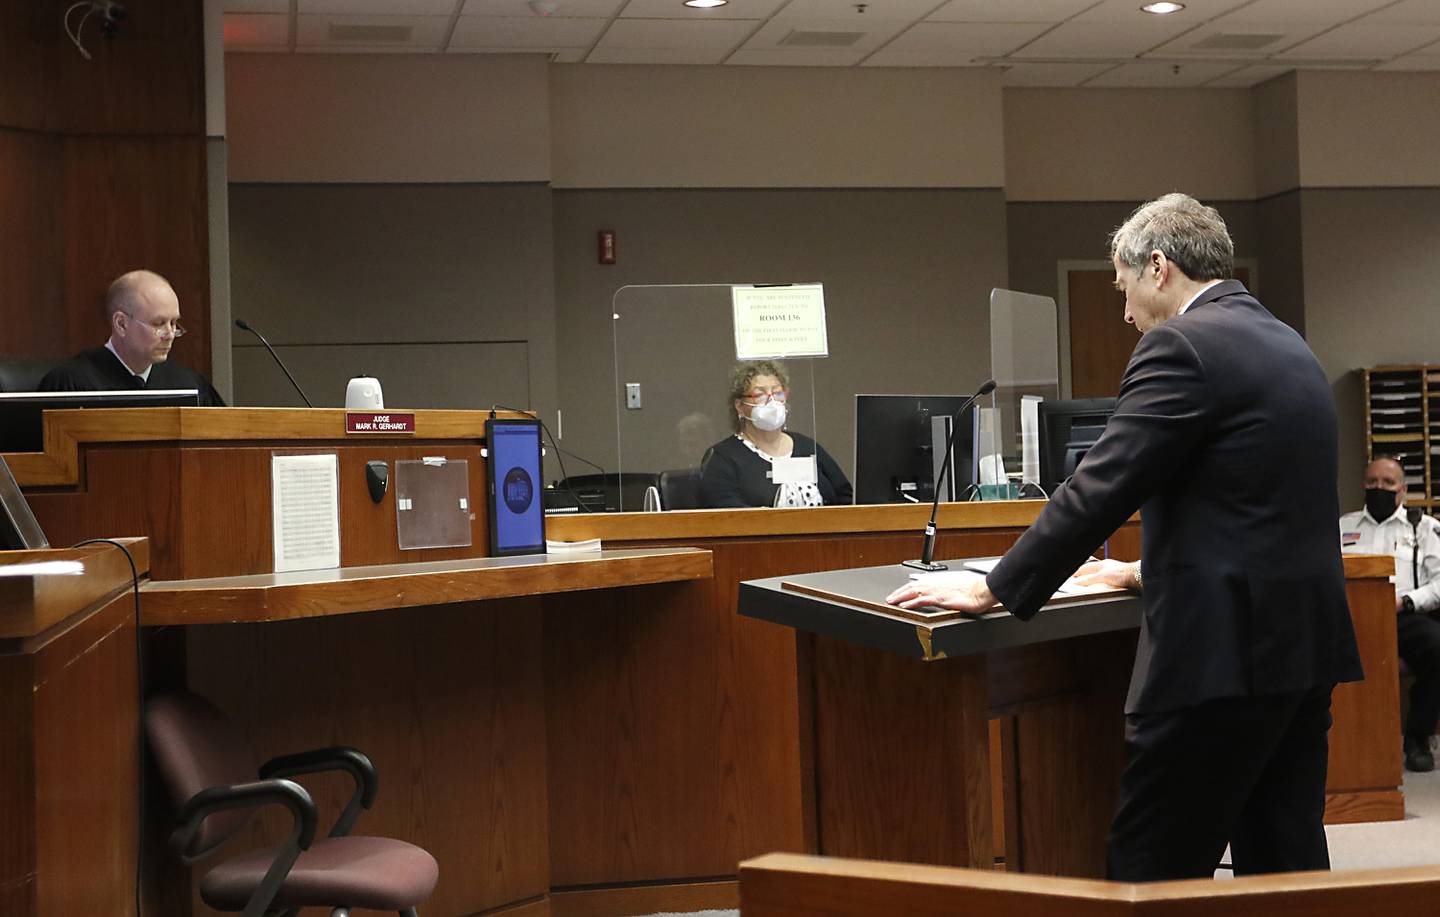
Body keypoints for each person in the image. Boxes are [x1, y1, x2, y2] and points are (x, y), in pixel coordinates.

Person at [886, 193, 1362, 881]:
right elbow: (1262, 509)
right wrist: (1139, 572)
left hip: (1218, 660)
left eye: (1124, 287)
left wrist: (993, 586)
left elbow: (1098, 490)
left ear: (1159, 267)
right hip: (1301, 649)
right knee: (1283, 868)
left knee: (1151, 871)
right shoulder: (1286, 341)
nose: (1126, 312)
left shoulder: (1183, 344)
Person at [1339, 456, 1440, 772]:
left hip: (1403, 616)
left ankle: (1417, 737)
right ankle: (1336, 743)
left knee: (1438, 646)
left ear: (1403, 490)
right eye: (1372, 483)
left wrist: (1406, 602)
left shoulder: (1425, 528)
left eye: (1387, 483)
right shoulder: (1343, 526)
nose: (1378, 488)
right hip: (1351, 618)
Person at [40, 269, 225, 405]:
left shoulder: (188, 385)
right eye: (158, 324)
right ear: (121, 324)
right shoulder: (71, 384)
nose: (170, 335)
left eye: (174, 323)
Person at [698, 359, 852, 508]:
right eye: (760, 395)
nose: (771, 401)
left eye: (778, 393)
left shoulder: (807, 446)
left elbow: (846, 497)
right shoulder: (722, 457)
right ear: (739, 406)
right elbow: (725, 511)